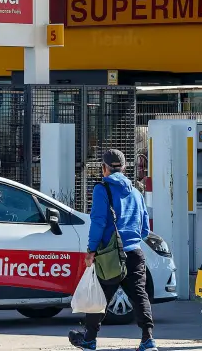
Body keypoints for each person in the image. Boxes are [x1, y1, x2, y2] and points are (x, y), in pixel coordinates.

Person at [70, 149, 157, 351]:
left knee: (100, 296)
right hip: (135, 253)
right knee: (139, 295)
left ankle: (89, 339)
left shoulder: (102, 189)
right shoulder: (136, 192)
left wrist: (91, 250)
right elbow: (145, 229)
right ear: (124, 168)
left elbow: (98, 222)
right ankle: (148, 339)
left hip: (110, 256)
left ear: (104, 168)